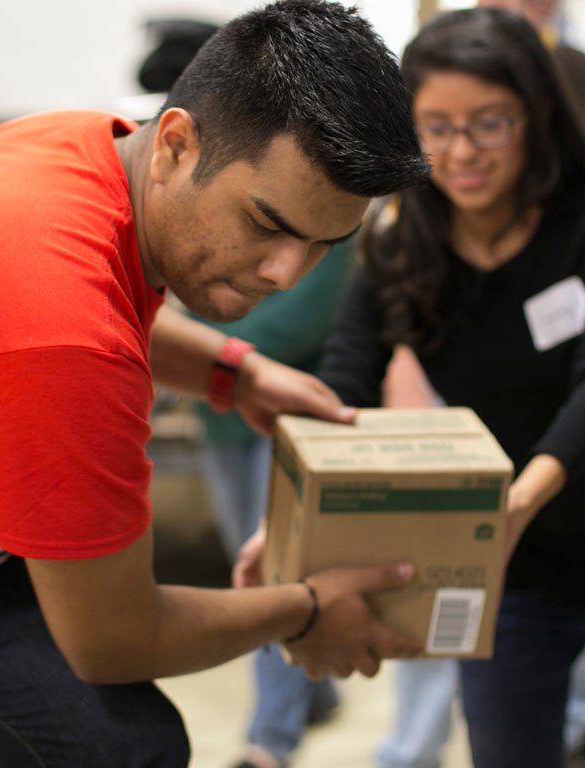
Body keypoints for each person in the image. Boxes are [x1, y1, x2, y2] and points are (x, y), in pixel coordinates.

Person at [0, 2, 429, 766]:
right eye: (265, 222)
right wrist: (309, 609)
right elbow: (114, 641)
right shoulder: (59, 340)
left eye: (324, 244)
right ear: (177, 144)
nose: (285, 273)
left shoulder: (80, 147)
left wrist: (235, 372)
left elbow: (100, 303)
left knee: (121, 743)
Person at [305, 7, 585, 768]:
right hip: (508, 581)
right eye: (434, 127)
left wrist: (518, 500)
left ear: (535, 115)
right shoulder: (403, 247)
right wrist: (300, 519)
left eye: (488, 125)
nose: (461, 152)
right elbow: (341, 386)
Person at [192, 239, 358, 768]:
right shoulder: (229, 225)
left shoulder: (326, 232)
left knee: (273, 579)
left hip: (284, 423)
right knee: (253, 567)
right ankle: (317, 691)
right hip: (221, 420)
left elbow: (296, 325)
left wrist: (206, 349)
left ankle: (269, 742)